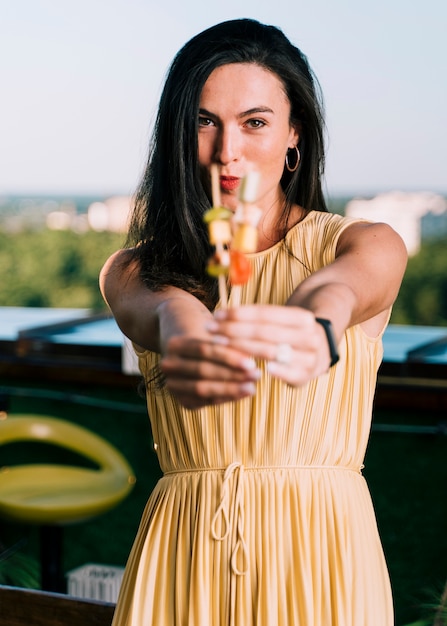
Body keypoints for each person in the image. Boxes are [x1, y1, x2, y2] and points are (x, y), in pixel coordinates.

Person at [100, 18, 407, 626]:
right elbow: (168, 310)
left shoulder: (366, 242)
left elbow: (341, 288)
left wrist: (316, 325)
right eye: (204, 121)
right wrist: (189, 336)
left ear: (295, 134)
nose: (227, 151)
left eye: (255, 122)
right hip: (185, 559)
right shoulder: (135, 267)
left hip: (321, 555)